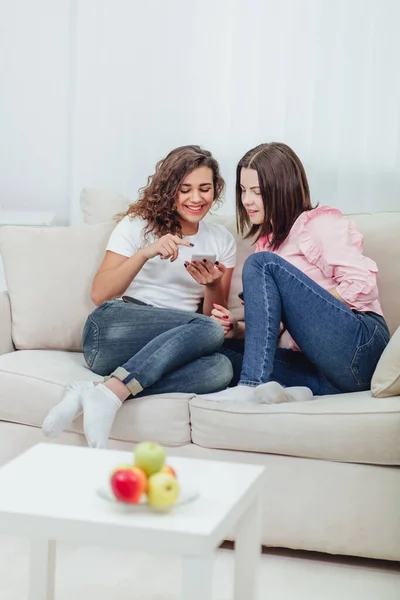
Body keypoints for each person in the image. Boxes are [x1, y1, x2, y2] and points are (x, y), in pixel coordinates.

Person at [43, 145, 236, 447]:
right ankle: (106, 392)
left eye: (204, 189)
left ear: (215, 190)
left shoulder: (221, 240)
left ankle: (101, 392)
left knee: (220, 369)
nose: (196, 198)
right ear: (170, 189)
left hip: (160, 352)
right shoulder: (137, 225)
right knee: (206, 330)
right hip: (113, 330)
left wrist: (212, 287)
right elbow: (100, 294)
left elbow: (216, 321)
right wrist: (146, 253)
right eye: (185, 189)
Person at [204, 142, 390, 404]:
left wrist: (298, 303)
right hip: (322, 369)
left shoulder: (317, 223)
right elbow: (273, 327)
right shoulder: (268, 243)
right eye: (243, 190)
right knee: (219, 355)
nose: (247, 200)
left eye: (257, 191)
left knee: (261, 263)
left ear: (283, 189)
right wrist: (236, 330)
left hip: (360, 347)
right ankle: (298, 391)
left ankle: (252, 384)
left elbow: (362, 284)